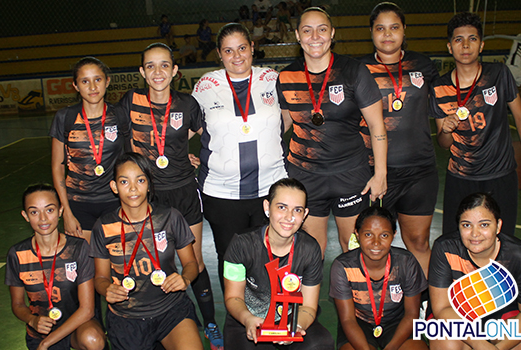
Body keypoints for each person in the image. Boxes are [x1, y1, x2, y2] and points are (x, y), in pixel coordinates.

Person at [116, 43, 223, 349]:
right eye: (150, 66)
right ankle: (161, 322)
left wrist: (194, 157)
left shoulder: (188, 105)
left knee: (196, 263)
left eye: (165, 65)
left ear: (175, 71)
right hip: (148, 197)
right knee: (154, 262)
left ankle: (210, 323)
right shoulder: (129, 102)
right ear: (141, 72)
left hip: (185, 192)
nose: (158, 72)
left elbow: (207, 137)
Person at [277, 7, 388, 254]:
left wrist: (380, 174)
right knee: (311, 251)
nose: (315, 36)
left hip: (349, 175)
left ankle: (358, 294)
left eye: (322, 29)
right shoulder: (286, 76)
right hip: (305, 177)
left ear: (332, 33)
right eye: (307, 30)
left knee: (354, 248)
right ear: (297, 35)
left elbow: (376, 125)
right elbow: (282, 126)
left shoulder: (354, 71)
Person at [192, 23, 288, 289]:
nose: (237, 56)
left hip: (271, 189)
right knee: (231, 260)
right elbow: (188, 128)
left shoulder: (271, 79)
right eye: (228, 50)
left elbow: (288, 120)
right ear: (220, 54)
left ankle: (271, 319)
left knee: (271, 257)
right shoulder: (206, 86)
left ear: (252, 48)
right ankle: (237, 323)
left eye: (242, 48)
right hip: (223, 194)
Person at [430, 12, 521, 237]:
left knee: (502, 240)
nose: (466, 45)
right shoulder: (439, 87)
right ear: (450, 47)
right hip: (460, 177)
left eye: (472, 39)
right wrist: (446, 130)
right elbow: (443, 143)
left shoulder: (499, 75)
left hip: (500, 174)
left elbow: (520, 118)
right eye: (459, 40)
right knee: (456, 243)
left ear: (481, 45)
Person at [91, 153, 203, 350]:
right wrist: (107, 289)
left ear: (149, 185)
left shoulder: (170, 217)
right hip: (126, 317)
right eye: (124, 181)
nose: (133, 188)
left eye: (140, 180)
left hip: (171, 310)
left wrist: (184, 279)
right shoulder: (103, 226)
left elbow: (191, 264)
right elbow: (100, 277)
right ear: (114, 187)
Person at [358, 2, 438, 277]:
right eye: (380, 28)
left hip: (419, 172)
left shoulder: (424, 65)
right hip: (375, 174)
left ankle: (427, 304)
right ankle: (375, 307)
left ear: (404, 30)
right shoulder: (359, 69)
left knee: (418, 242)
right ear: (371, 32)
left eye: (394, 27)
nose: (387, 34)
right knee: (373, 247)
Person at [223, 178, 334, 350]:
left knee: (320, 344)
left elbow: (309, 307)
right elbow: (233, 297)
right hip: (248, 318)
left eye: (297, 210)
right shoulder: (241, 244)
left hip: (292, 318)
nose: (289, 217)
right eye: (282, 207)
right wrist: (247, 319)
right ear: (267, 207)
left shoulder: (310, 249)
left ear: (304, 214)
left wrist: (297, 326)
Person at [428, 192, 521, 350]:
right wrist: (479, 344)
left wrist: (497, 348)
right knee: (446, 342)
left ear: (498, 226)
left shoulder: (519, 256)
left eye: (484, 225)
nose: (475, 234)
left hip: (502, 316)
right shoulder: (445, 248)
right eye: (466, 225)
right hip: (457, 315)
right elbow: (442, 309)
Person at [6, 184, 106, 350]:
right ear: (25, 216)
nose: (43, 218)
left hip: (77, 327)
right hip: (40, 331)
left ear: (60, 211)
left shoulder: (78, 248)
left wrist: (46, 343)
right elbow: (17, 305)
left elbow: (87, 310)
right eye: (34, 212)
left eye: (49, 210)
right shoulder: (17, 254)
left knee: (93, 339)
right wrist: (32, 320)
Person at [50, 56, 126, 244]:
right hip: (78, 204)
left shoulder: (119, 115)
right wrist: (66, 212)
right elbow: (57, 167)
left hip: (114, 201)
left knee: (116, 265)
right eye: (85, 81)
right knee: (86, 269)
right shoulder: (65, 117)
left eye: (97, 79)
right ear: (76, 86)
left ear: (107, 81)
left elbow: (139, 150)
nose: (92, 87)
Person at [330, 206, 427, 350]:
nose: (376, 243)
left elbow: (411, 314)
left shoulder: (406, 262)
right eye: (368, 234)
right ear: (357, 234)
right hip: (359, 324)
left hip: (398, 324)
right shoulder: (343, 266)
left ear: (394, 235)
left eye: (384, 235)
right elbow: (348, 319)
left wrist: (391, 347)